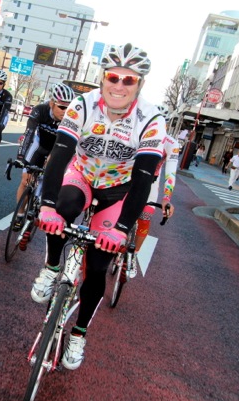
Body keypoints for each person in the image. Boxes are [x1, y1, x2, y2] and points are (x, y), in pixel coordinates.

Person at [32, 43, 166, 370]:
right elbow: (61, 153)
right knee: (62, 208)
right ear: (103, 78)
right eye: (113, 77)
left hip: (118, 190)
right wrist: (47, 206)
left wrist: (121, 230)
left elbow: (145, 176)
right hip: (83, 174)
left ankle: (78, 334)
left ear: (140, 85)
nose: (119, 85)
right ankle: (51, 267)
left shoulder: (151, 118)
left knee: (98, 267)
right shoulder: (83, 105)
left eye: (128, 80)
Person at [11, 83, 74, 227]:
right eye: (62, 107)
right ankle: (20, 213)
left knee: (49, 178)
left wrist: (54, 160)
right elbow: (29, 134)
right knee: (25, 180)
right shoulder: (40, 110)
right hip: (38, 146)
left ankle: (40, 203)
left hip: (57, 148)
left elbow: (67, 145)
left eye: (68, 107)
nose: (65, 111)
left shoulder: (70, 119)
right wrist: (21, 158)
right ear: (52, 103)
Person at [134, 134, 179, 255]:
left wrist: (166, 198)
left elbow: (170, 173)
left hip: (151, 181)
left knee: (145, 216)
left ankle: (134, 254)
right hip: (127, 175)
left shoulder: (171, 144)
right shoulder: (138, 129)